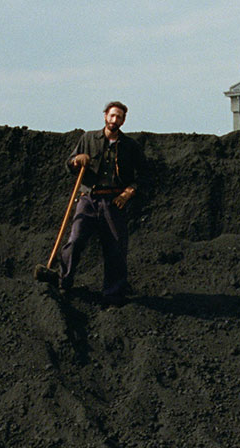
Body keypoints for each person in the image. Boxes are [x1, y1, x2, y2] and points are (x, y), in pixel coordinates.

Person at [57, 100, 147, 304]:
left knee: (115, 247)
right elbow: (69, 164)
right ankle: (64, 282)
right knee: (75, 240)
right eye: (112, 115)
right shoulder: (88, 138)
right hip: (88, 198)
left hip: (114, 201)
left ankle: (113, 293)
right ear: (105, 116)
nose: (115, 120)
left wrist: (128, 193)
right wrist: (76, 160)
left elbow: (144, 175)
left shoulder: (130, 147)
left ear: (124, 121)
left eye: (119, 117)